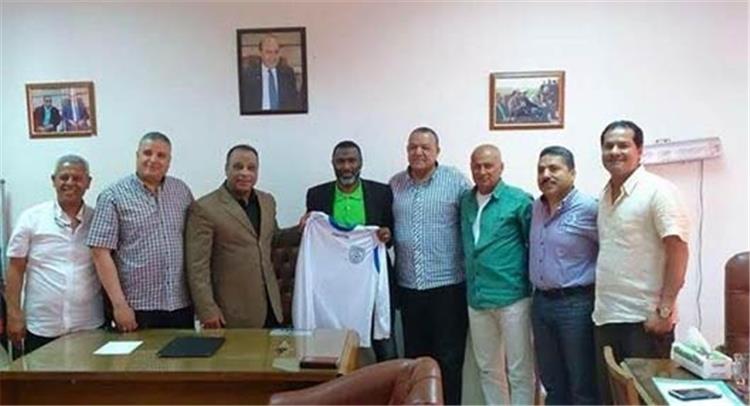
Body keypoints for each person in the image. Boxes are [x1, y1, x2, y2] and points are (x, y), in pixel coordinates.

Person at [593, 120, 690, 404]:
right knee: (612, 399)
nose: (615, 151)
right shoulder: (605, 194)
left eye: (623, 145)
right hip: (607, 316)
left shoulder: (658, 191)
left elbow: (678, 250)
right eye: (608, 146)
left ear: (640, 150)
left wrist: (664, 309)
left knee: (646, 399)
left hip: (645, 321)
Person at [390, 126, 470, 405]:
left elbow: (474, 217)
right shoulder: (395, 184)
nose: (418, 152)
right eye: (413, 147)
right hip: (409, 286)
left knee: (449, 359)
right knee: (415, 360)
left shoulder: (455, 181)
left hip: (447, 287)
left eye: (425, 147)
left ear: (437, 151)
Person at [87, 132, 194, 332]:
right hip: (137, 308)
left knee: (183, 353)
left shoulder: (181, 191)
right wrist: (119, 305)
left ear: (169, 161)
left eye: (161, 155)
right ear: (137, 155)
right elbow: (99, 253)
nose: (153, 160)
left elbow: (193, 243)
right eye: (147, 153)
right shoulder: (113, 196)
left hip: (180, 304)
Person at [186, 145, 300, 328]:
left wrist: (303, 228)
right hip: (231, 311)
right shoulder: (204, 208)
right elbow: (197, 267)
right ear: (226, 169)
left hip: (271, 305)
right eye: (238, 167)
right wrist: (207, 310)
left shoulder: (267, 201)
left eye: (251, 168)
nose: (245, 173)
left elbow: (272, 239)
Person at [305, 140, 397, 361]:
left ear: (361, 163)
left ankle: (390, 381)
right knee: (333, 342)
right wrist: (307, 224)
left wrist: (386, 235)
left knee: (383, 342)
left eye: (351, 161)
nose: (346, 167)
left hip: (372, 280)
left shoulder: (382, 193)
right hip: (333, 283)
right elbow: (317, 238)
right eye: (341, 161)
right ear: (333, 164)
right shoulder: (316, 195)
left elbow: (391, 232)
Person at [5, 155, 103, 357]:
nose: (70, 183)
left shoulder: (99, 220)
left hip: (89, 325)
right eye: (64, 177)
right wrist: (14, 314)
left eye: (77, 178)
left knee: (91, 378)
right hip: (42, 326)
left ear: (88, 182)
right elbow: (15, 268)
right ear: (53, 180)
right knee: (42, 378)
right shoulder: (32, 218)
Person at [459, 144, 535, 405]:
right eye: (477, 166)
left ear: (501, 167)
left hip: (513, 298)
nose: (482, 171)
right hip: (477, 299)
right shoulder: (465, 201)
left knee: (519, 370)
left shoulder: (519, 200)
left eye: (488, 165)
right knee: (488, 369)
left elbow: (534, 245)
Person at [529, 146, 599, 405]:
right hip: (541, 304)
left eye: (554, 168)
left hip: (576, 305)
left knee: (581, 383)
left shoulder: (590, 208)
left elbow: (611, 251)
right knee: (552, 383)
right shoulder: (536, 208)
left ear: (572, 173)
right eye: (541, 170)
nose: (546, 175)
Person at [240, 34, 301, 112]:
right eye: (268, 52)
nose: (273, 57)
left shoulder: (288, 74)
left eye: (276, 52)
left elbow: (294, 104)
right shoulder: (248, 75)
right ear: (260, 53)